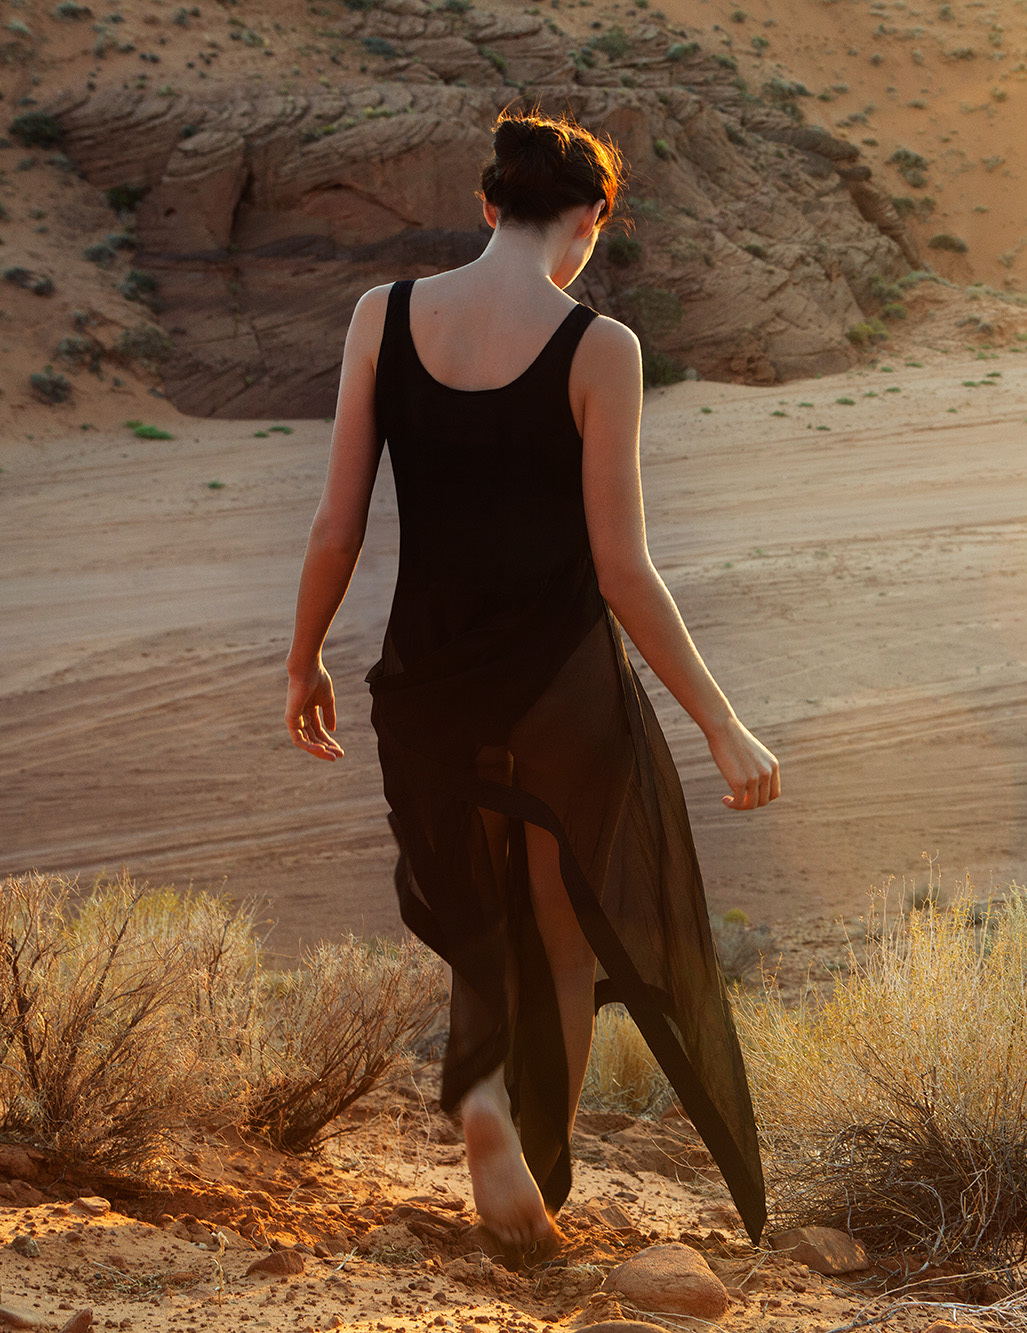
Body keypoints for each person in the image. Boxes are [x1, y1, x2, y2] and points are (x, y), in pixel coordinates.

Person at [282, 109, 778, 1266]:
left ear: (484, 200)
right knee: (565, 939)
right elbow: (622, 570)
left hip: (426, 684)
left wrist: (303, 656)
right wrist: (723, 726)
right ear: (593, 217)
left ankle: (483, 1099)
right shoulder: (599, 348)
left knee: (477, 926)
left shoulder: (383, 317)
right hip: (557, 690)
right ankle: (530, 1155)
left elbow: (335, 522)